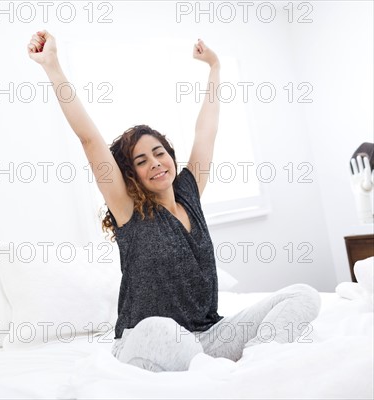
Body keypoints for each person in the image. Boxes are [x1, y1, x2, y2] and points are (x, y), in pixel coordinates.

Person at [27, 30, 321, 372]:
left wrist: (214, 67)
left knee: (302, 296)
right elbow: (89, 139)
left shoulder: (189, 193)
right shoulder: (128, 211)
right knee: (161, 328)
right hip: (147, 339)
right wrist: (52, 65)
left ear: (170, 157)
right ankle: (217, 376)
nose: (154, 163)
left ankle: (255, 362)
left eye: (159, 153)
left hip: (207, 336)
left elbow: (206, 131)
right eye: (141, 161)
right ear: (131, 174)